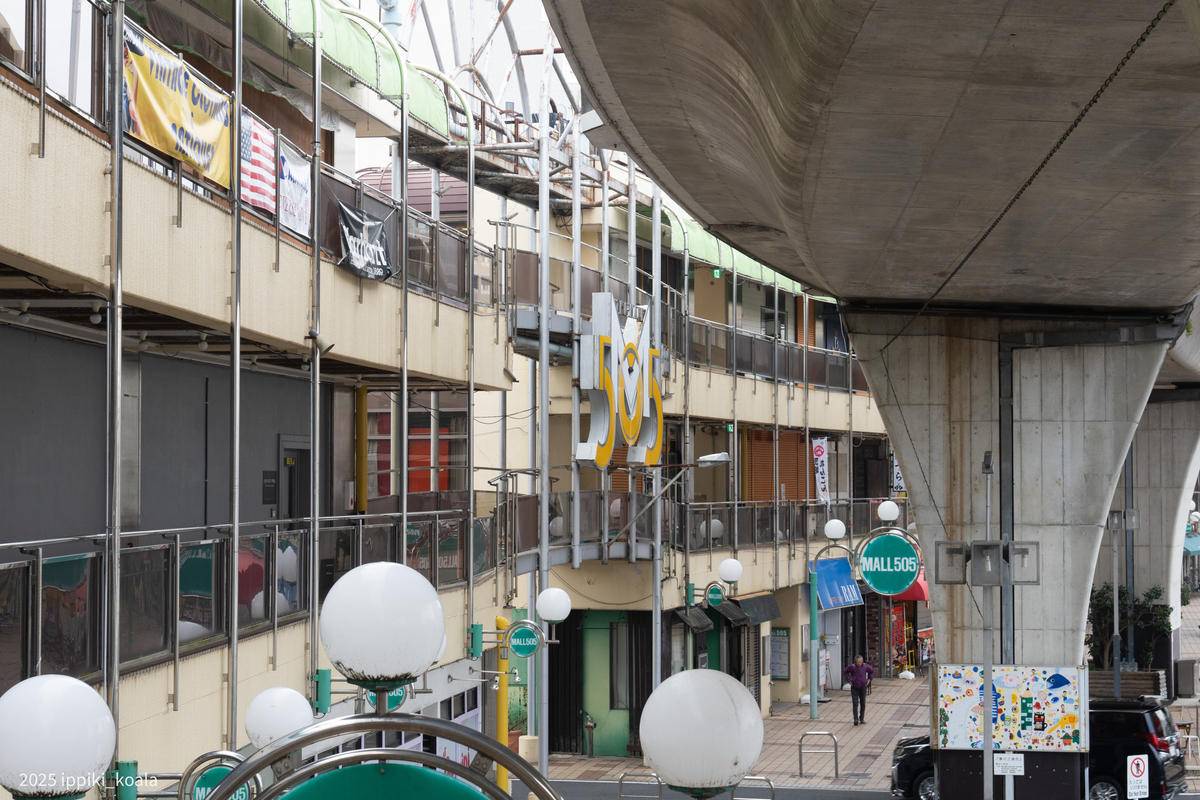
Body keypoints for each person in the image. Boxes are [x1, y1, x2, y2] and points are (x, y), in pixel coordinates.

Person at [844, 655, 874, 726]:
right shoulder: (852, 667)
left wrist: (869, 679)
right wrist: (849, 680)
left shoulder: (866, 666)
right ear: (855, 662)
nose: (859, 663)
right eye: (857, 662)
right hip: (854, 686)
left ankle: (862, 717)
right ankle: (855, 719)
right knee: (855, 703)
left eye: (860, 662)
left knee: (863, 703)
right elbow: (845, 672)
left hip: (863, 686)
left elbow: (872, 671)